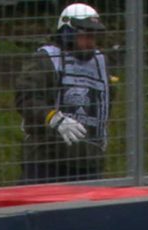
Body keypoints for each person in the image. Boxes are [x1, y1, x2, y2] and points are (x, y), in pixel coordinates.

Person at [14, 3, 111, 183]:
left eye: (93, 36)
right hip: (46, 160)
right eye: (85, 35)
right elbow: (26, 98)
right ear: (67, 33)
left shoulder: (100, 62)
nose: (90, 42)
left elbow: (106, 102)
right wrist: (54, 119)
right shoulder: (47, 59)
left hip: (89, 161)